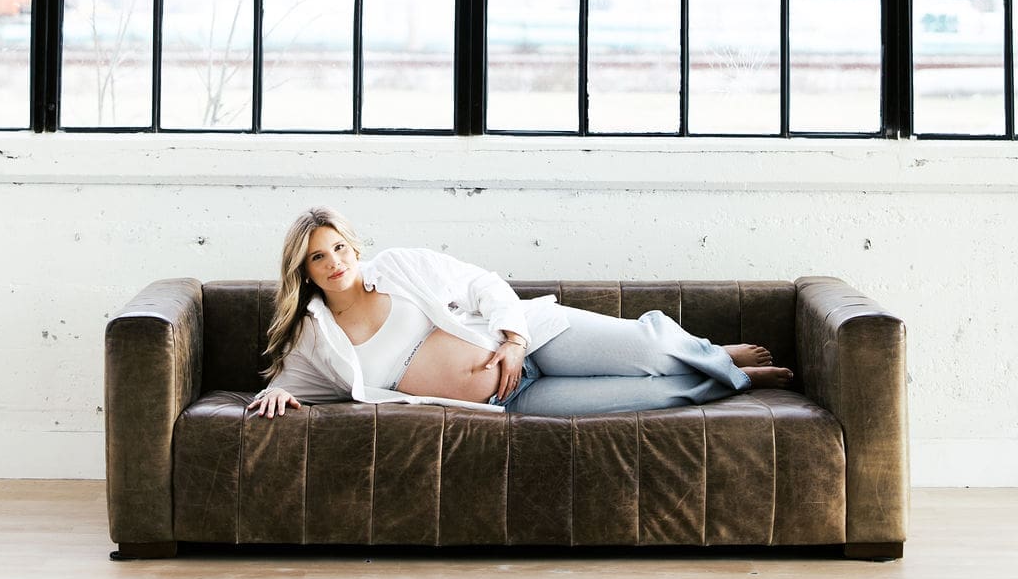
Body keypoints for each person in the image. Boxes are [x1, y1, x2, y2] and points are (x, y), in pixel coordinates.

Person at [247, 205, 793, 420]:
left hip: (534, 341)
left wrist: (512, 341)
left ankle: (713, 353)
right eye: (319, 257)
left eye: (339, 247)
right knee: (653, 395)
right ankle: (736, 378)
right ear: (305, 270)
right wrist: (274, 394)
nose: (335, 262)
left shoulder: (398, 267)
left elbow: (482, 284)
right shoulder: (314, 336)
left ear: (354, 246)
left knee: (649, 348)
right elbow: (288, 386)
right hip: (511, 398)